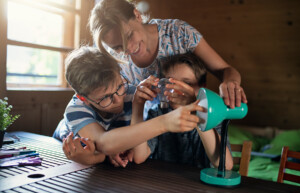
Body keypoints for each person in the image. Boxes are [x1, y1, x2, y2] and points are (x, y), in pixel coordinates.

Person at [53, 46, 204, 166]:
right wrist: (164, 122)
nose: (119, 100)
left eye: (119, 86)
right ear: (83, 98)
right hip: (63, 146)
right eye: (105, 98)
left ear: (120, 73)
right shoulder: (76, 109)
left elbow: (132, 146)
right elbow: (103, 143)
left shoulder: (131, 94)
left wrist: (106, 154)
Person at [89, 0, 247, 112]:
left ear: (137, 15)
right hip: (150, 137)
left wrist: (230, 82)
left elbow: (225, 69)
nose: (128, 49)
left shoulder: (179, 33)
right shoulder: (113, 59)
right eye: (117, 47)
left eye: (129, 36)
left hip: (191, 123)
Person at [131, 52, 233, 169]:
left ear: (202, 88)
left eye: (186, 83)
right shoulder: (157, 113)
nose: (176, 90)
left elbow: (225, 165)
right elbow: (139, 157)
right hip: (161, 182)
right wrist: (138, 105)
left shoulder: (214, 117)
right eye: (171, 83)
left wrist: (196, 111)